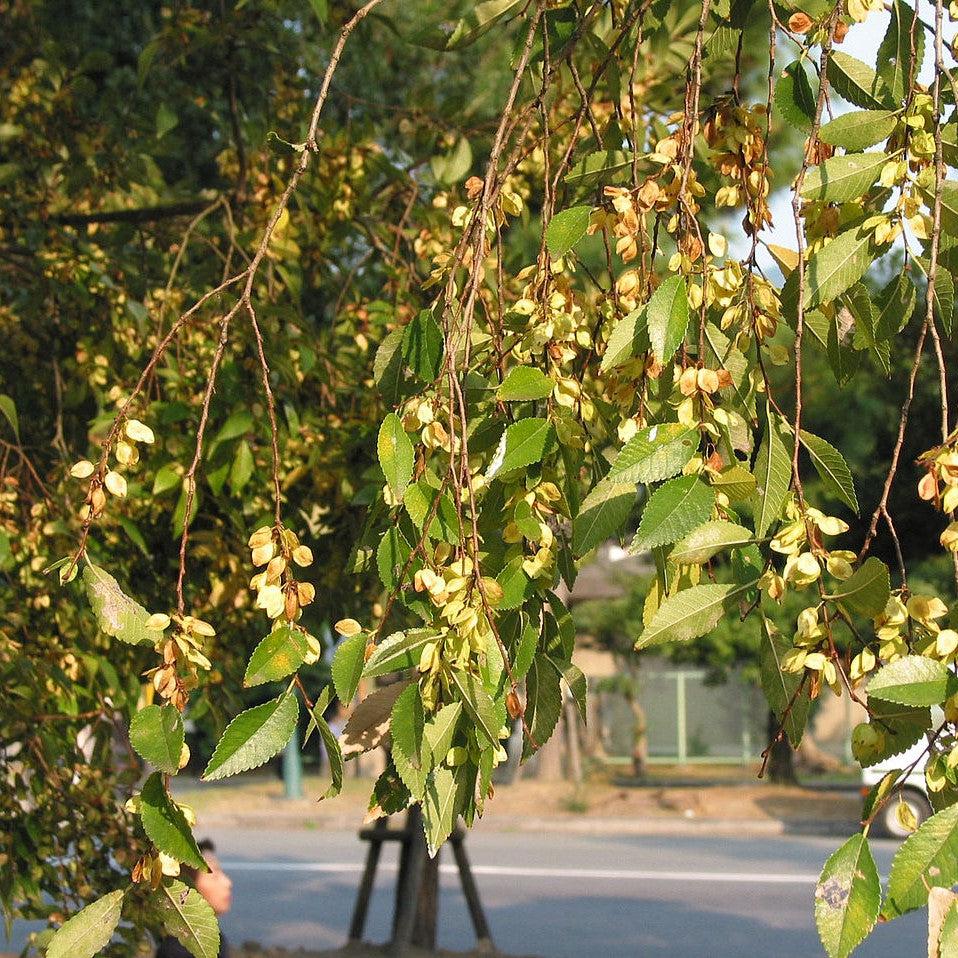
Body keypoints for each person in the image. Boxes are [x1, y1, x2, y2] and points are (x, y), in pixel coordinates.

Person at [156, 839, 232, 958]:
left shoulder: (212, 938)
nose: (228, 882)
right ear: (187, 886)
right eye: (215, 876)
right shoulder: (176, 952)